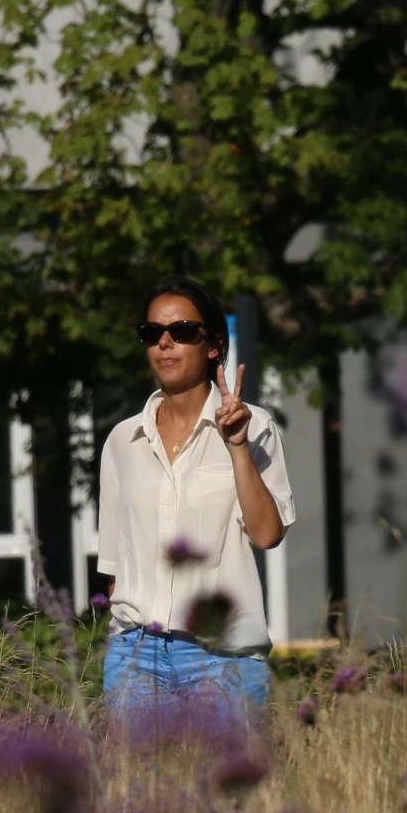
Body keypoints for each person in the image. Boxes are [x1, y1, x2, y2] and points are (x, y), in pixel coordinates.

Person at [95, 276, 295, 715]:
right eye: (152, 333)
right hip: (136, 656)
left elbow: (267, 535)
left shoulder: (256, 427)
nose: (164, 343)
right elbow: (113, 564)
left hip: (224, 658)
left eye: (182, 331)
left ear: (213, 345)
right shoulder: (121, 441)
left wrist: (237, 445)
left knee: (227, 784)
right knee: (141, 785)